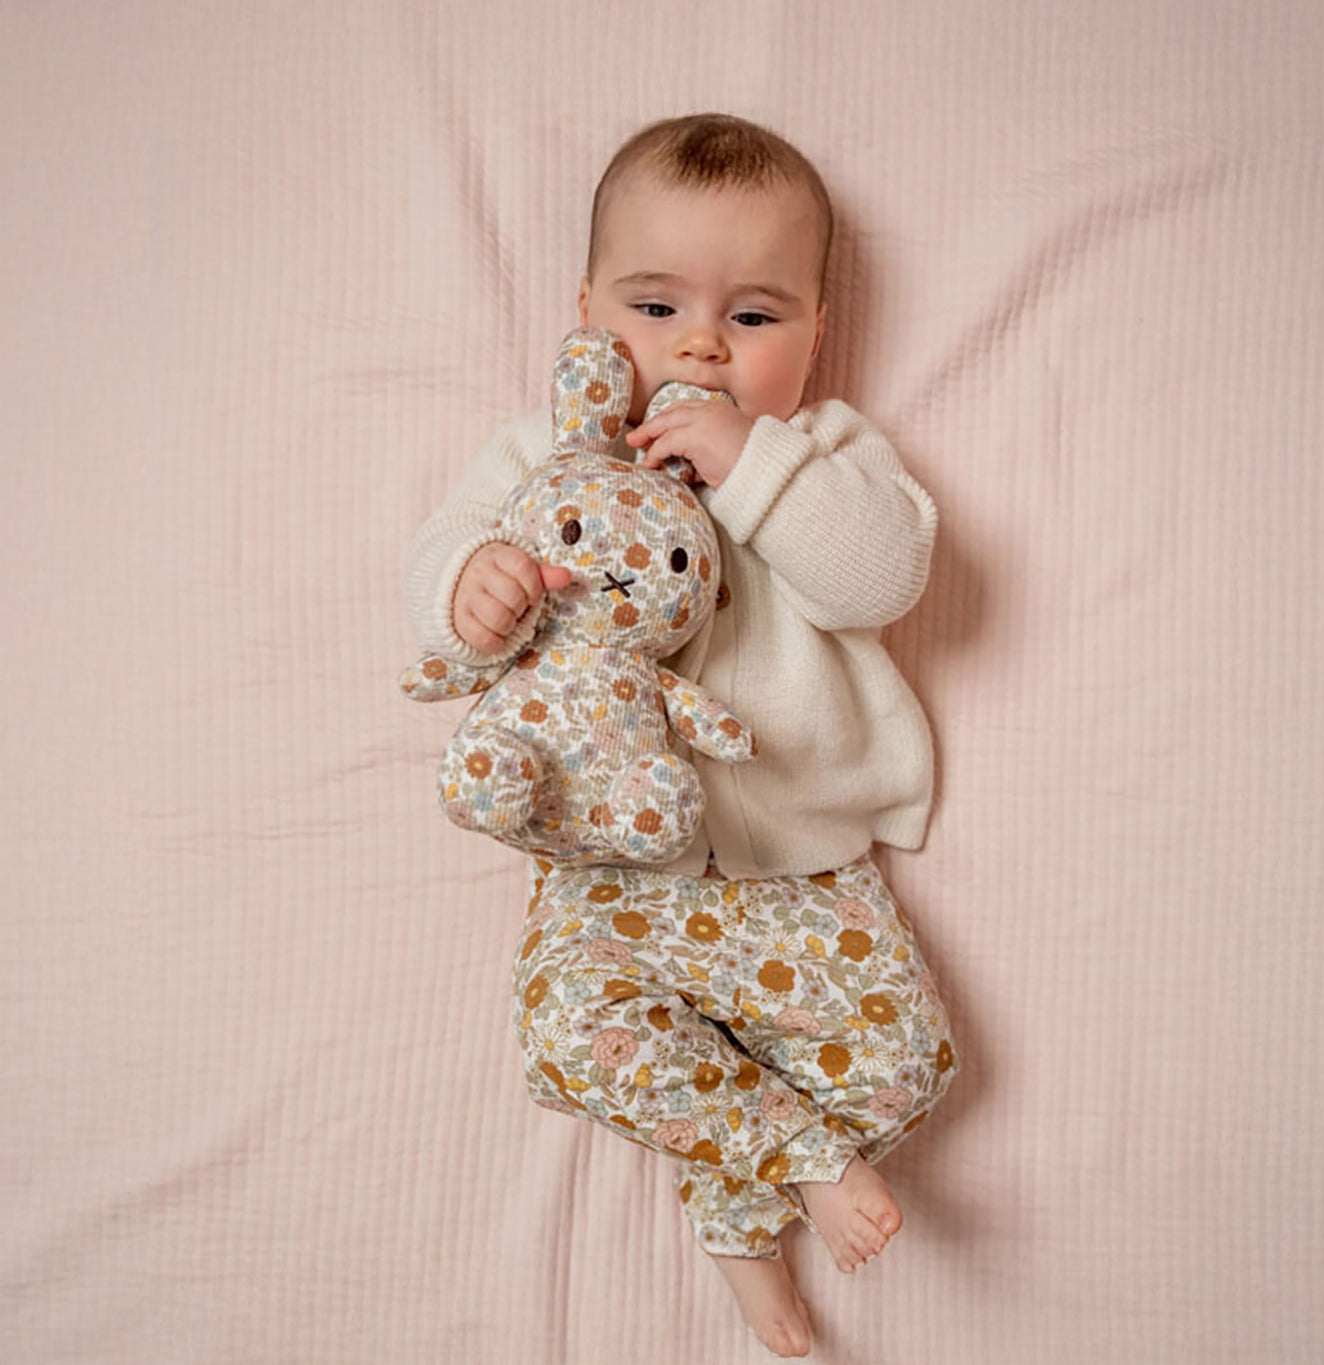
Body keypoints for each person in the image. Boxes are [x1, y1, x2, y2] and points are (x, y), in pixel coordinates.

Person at [403, 113, 958, 1359]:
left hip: (799, 870)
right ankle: (798, 1166)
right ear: (587, 311)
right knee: (569, 1031)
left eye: (755, 319)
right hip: (610, 876)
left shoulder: (823, 452)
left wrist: (753, 466)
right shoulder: (544, 455)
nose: (702, 345)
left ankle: (737, 1212)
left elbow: (883, 579)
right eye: (656, 309)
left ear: (816, 333)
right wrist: (474, 583)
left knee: (905, 1064)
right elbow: (436, 555)